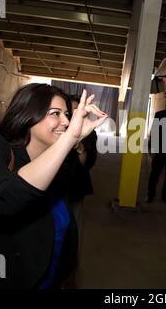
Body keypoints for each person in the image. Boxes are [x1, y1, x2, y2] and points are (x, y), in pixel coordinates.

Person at [0, 84, 107, 289]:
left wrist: (75, 140)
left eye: (67, 114)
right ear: (28, 114)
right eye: (55, 114)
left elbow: (85, 162)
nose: (66, 121)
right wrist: (68, 139)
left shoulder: (58, 161)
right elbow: (5, 200)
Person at [68, 94, 98, 253]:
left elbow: (89, 162)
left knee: (75, 227)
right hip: (53, 188)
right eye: (71, 111)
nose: (75, 114)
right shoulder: (57, 128)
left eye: (78, 110)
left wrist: (79, 146)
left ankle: (72, 263)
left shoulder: (89, 132)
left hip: (75, 188)